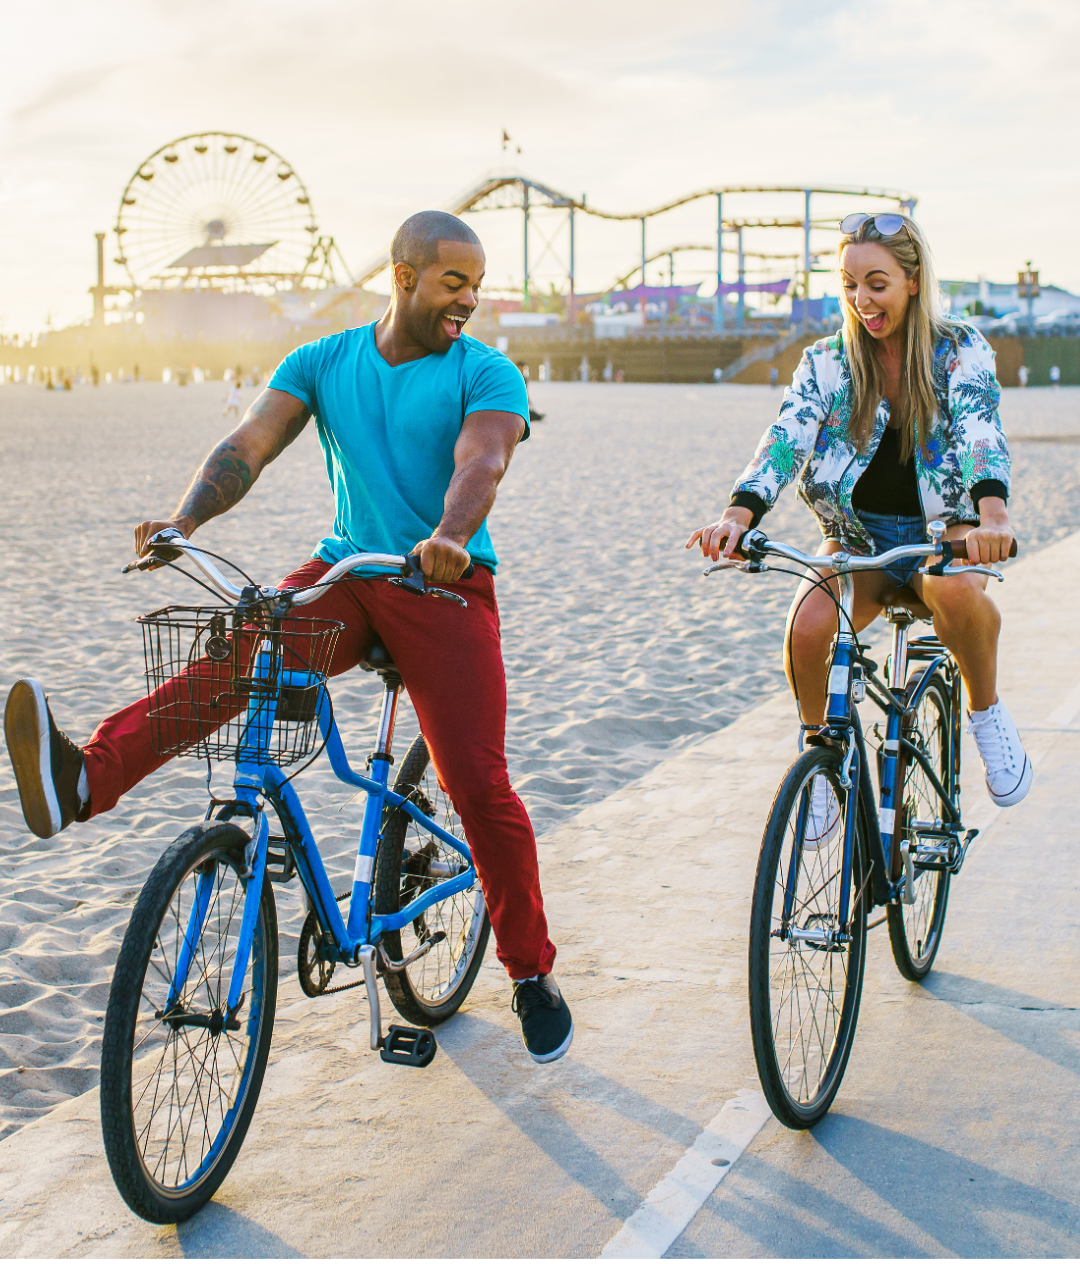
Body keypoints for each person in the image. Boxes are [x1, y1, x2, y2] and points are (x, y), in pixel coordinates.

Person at [3, 210, 573, 1065]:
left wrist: (451, 535)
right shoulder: (324, 359)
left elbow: (481, 461)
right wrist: (186, 518)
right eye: (456, 282)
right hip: (348, 571)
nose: (471, 300)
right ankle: (84, 777)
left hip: (442, 583)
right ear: (405, 272)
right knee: (240, 656)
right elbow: (251, 443)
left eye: (477, 285)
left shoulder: (484, 370)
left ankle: (530, 971)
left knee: (477, 782)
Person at [687, 211, 1032, 818]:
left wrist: (992, 517)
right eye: (849, 284)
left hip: (943, 530)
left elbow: (982, 430)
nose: (861, 300)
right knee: (808, 625)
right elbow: (786, 438)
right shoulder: (827, 361)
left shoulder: (960, 350)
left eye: (877, 283)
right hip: (855, 536)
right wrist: (739, 514)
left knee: (952, 594)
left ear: (914, 281)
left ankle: (987, 714)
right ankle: (820, 757)